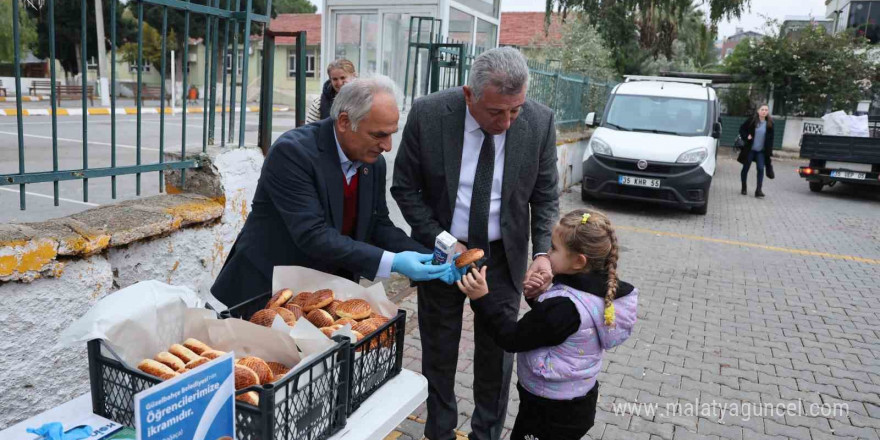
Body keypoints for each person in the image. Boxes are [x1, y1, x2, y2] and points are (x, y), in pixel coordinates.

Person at [391, 46, 559, 440]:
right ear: (469, 94)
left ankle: (486, 434)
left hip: (503, 256)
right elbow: (405, 188)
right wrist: (444, 240)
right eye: (496, 111)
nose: (507, 121)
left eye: (514, 110)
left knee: (497, 353)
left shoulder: (538, 121)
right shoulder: (430, 114)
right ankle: (440, 431)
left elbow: (547, 195)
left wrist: (542, 254)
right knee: (438, 348)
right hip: (442, 253)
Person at [211, 76, 458, 307]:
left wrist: (429, 257)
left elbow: (376, 224)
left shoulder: (373, 163)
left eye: (391, 134)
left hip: (320, 295)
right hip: (264, 290)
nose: (387, 146)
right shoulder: (293, 153)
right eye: (378, 135)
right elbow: (313, 235)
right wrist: (394, 262)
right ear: (343, 122)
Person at [457, 209, 638, 440]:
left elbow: (511, 338)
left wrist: (482, 298)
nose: (548, 253)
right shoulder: (601, 293)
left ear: (578, 261)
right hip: (578, 403)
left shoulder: (563, 308)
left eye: (553, 248)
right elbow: (559, 329)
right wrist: (538, 298)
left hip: (548, 412)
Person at [738, 104, 774, 198]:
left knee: (761, 169)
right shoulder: (752, 120)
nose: (764, 111)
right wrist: (746, 136)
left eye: (766, 110)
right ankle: (744, 187)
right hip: (750, 150)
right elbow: (742, 129)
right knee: (745, 168)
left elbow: (771, 139)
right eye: (762, 109)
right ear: (758, 111)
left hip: (761, 151)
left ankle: (758, 190)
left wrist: (769, 152)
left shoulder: (770, 124)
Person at [306, 59, 357, 124]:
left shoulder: (366, 100)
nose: (339, 83)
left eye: (343, 78)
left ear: (354, 76)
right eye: (335, 79)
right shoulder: (319, 103)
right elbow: (309, 131)